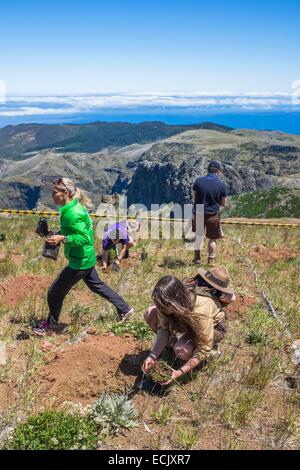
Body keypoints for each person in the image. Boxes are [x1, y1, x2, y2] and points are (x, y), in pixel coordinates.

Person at [33, 177, 133, 336]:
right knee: (97, 285)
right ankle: (125, 309)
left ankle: (51, 327)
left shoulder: (72, 213)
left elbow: (85, 238)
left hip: (79, 261)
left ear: (65, 193)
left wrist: (63, 239)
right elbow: (77, 232)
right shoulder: (72, 208)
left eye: (55, 192)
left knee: (54, 293)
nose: (52, 196)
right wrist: (55, 233)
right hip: (86, 258)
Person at [142, 265, 235, 385]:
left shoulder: (201, 310)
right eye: (157, 303)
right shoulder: (167, 301)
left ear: (173, 303)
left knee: (182, 350)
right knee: (150, 313)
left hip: (212, 327)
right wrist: (152, 355)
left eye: (162, 305)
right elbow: (163, 329)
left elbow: (203, 349)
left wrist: (178, 373)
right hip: (185, 318)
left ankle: (209, 352)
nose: (159, 307)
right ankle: (171, 348)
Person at [192, 160, 228, 266]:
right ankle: (211, 260)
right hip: (212, 214)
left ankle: (197, 259)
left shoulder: (198, 181)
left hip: (199, 213)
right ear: (218, 171)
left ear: (208, 170)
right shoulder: (222, 185)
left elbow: (194, 197)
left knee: (198, 236)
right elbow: (223, 204)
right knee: (212, 239)